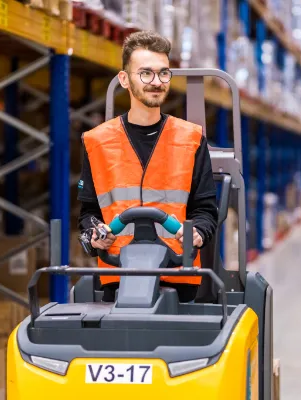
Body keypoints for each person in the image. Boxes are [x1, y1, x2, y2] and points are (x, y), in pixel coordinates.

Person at [77, 31, 218, 303]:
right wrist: (95, 236)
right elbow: (89, 214)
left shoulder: (191, 139)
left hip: (178, 276)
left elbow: (206, 210)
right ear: (124, 79)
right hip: (118, 275)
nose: (156, 82)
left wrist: (197, 233)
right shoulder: (97, 142)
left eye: (163, 73)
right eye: (146, 73)